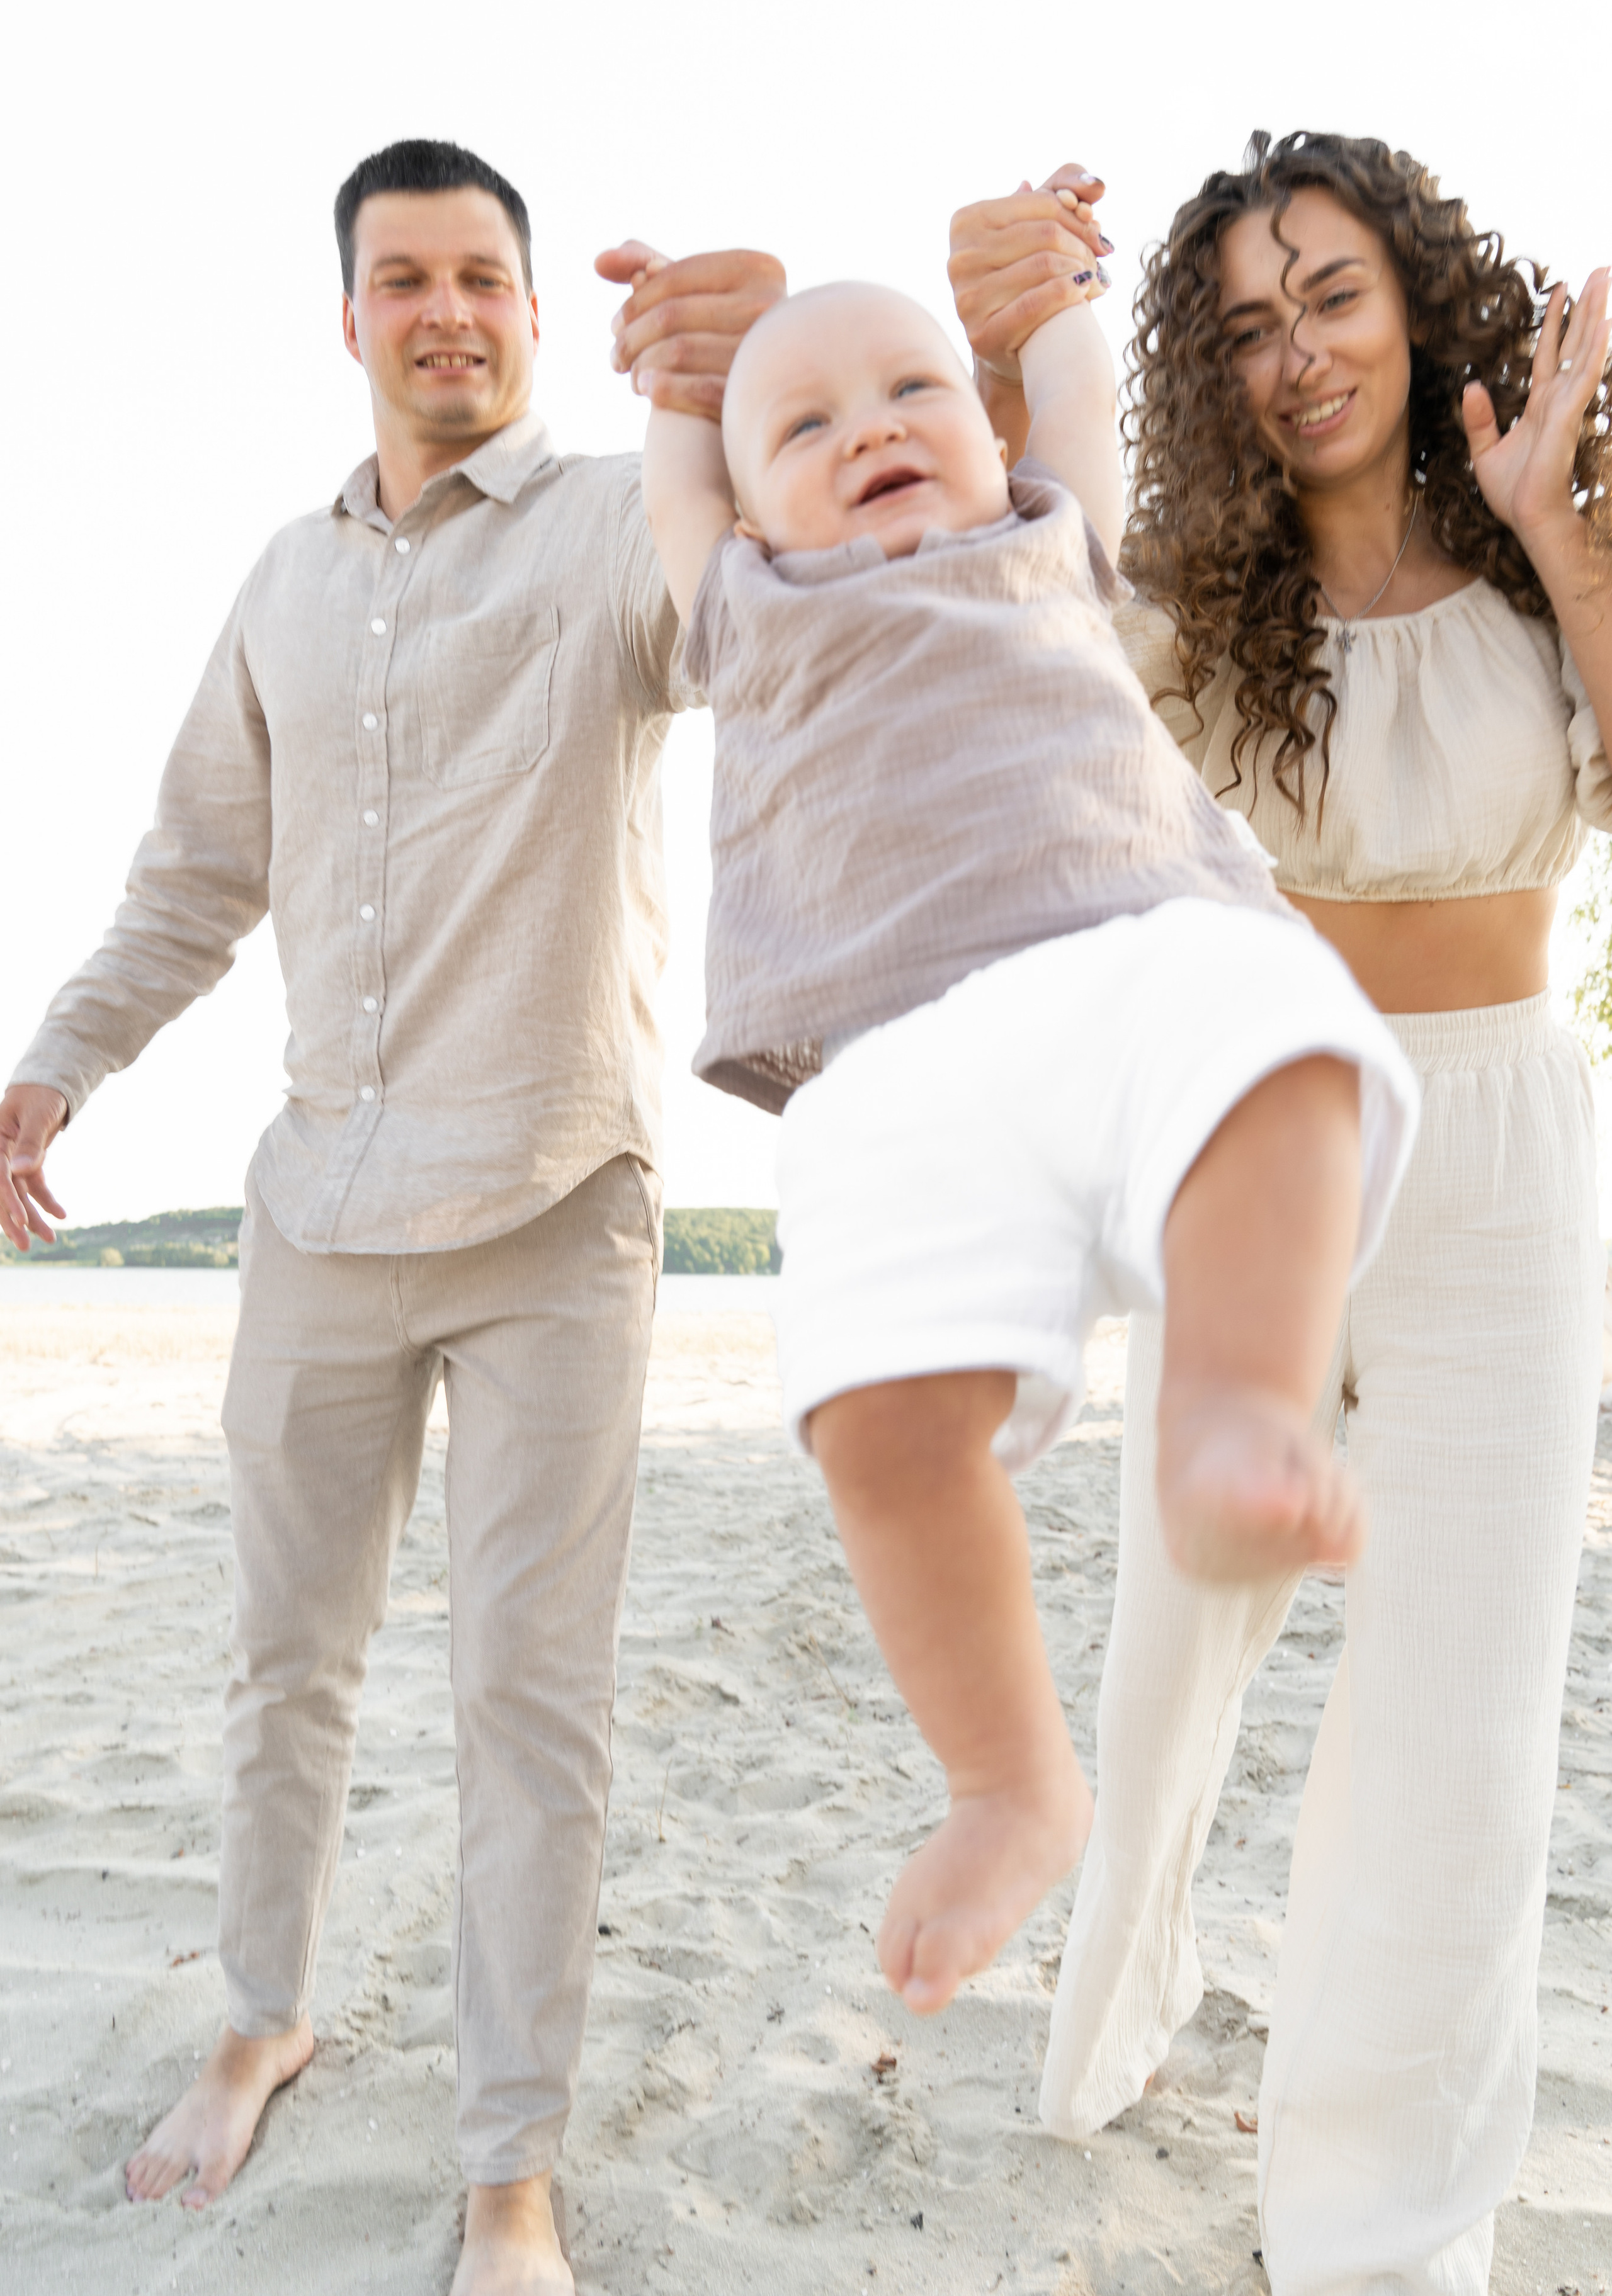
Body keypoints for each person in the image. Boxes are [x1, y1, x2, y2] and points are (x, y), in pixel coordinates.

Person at [0, 137, 781, 2295]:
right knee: (288, 1669)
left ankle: (509, 2170)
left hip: (557, 1203)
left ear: (533, 309)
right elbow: (189, 876)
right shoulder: (280, 579)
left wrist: (739, 371)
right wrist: (59, 1059)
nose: (450, 311)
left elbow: (758, 600)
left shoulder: (630, 517)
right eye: (405, 278)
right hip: (319, 1209)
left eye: (485, 278)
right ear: (349, 315)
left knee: (533, 1707)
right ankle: (264, 2022)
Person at [948, 132, 1612, 2292]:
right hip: (1261, 1149)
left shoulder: (1546, 560)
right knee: (1170, 1662)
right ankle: (1119, 2000)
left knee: (1462, 1719)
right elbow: (985, 603)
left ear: (1418, 302)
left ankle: (1380, 2228)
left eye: (1329, 293)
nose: (1296, 350)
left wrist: (1565, 553)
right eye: (1244, 321)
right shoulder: (1190, 600)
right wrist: (990, 338)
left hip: (1506, 1157)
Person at [616, 257, 1419, 2020]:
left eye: (911, 390)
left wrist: (1049, 268)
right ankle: (1007, 1777)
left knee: (1285, 1041)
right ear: (748, 506)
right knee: (874, 1406)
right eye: (804, 426)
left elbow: (1072, 384)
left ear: (989, 434)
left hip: (1128, 953)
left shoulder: (1050, 527)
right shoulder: (747, 597)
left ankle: (1234, 1405)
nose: (870, 431)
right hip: (896, 1061)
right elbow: (677, 475)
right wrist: (686, 371)